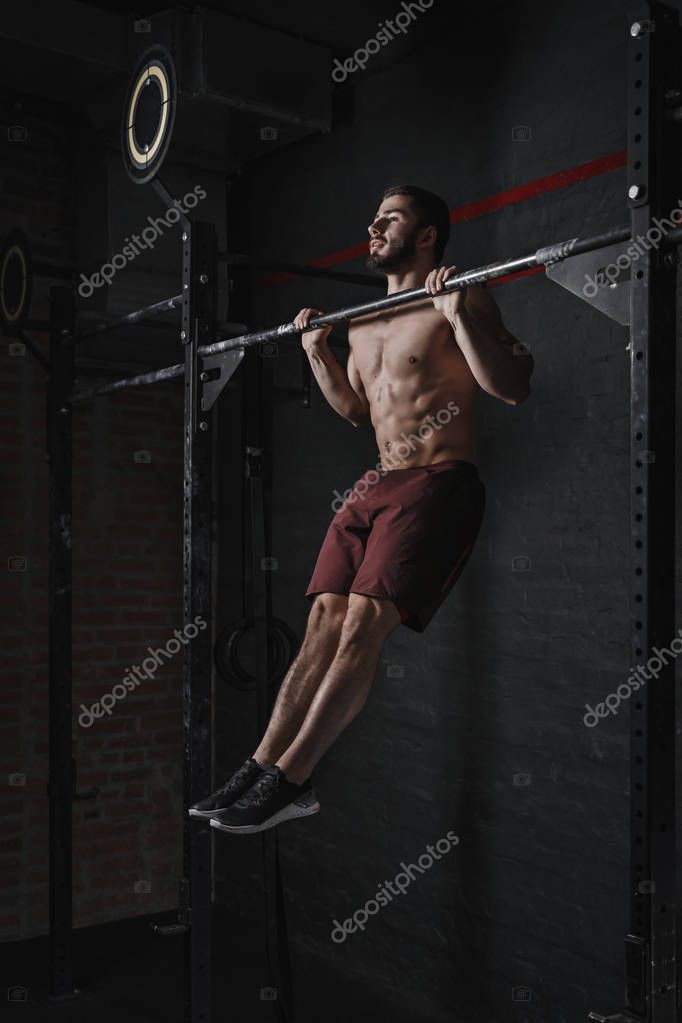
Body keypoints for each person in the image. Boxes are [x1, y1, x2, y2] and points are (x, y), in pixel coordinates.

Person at [190, 184, 533, 834]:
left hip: (439, 479)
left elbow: (511, 386)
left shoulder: (458, 296)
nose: (373, 226)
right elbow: (356, 411)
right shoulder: (362, 323)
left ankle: (292, 775)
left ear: (426, 234)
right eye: (373, 217)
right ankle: (265, 763)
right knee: (322, 617)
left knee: (361, 626)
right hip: (378, 481)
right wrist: (318, 352)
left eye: (391, 219)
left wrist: (458, 313)